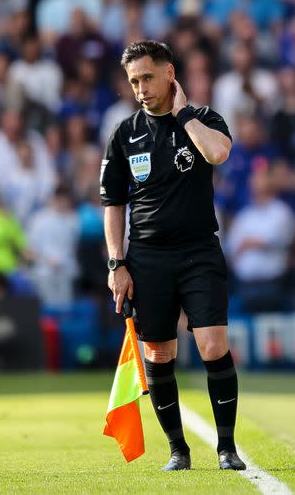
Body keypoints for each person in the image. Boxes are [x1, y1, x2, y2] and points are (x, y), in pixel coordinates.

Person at [100, 40, 244, 472]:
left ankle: (226, 448)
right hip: (147, 257)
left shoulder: (204, 118)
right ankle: (178, 450)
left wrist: (183, 115)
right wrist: (116, 262)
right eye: (133, 81)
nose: (140, 88)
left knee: (212, 344)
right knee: (159, 355)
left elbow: (217, 153)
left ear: (169, 73)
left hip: (199, 250)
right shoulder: (125, 134)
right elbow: (113, 203)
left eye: (146, 77)